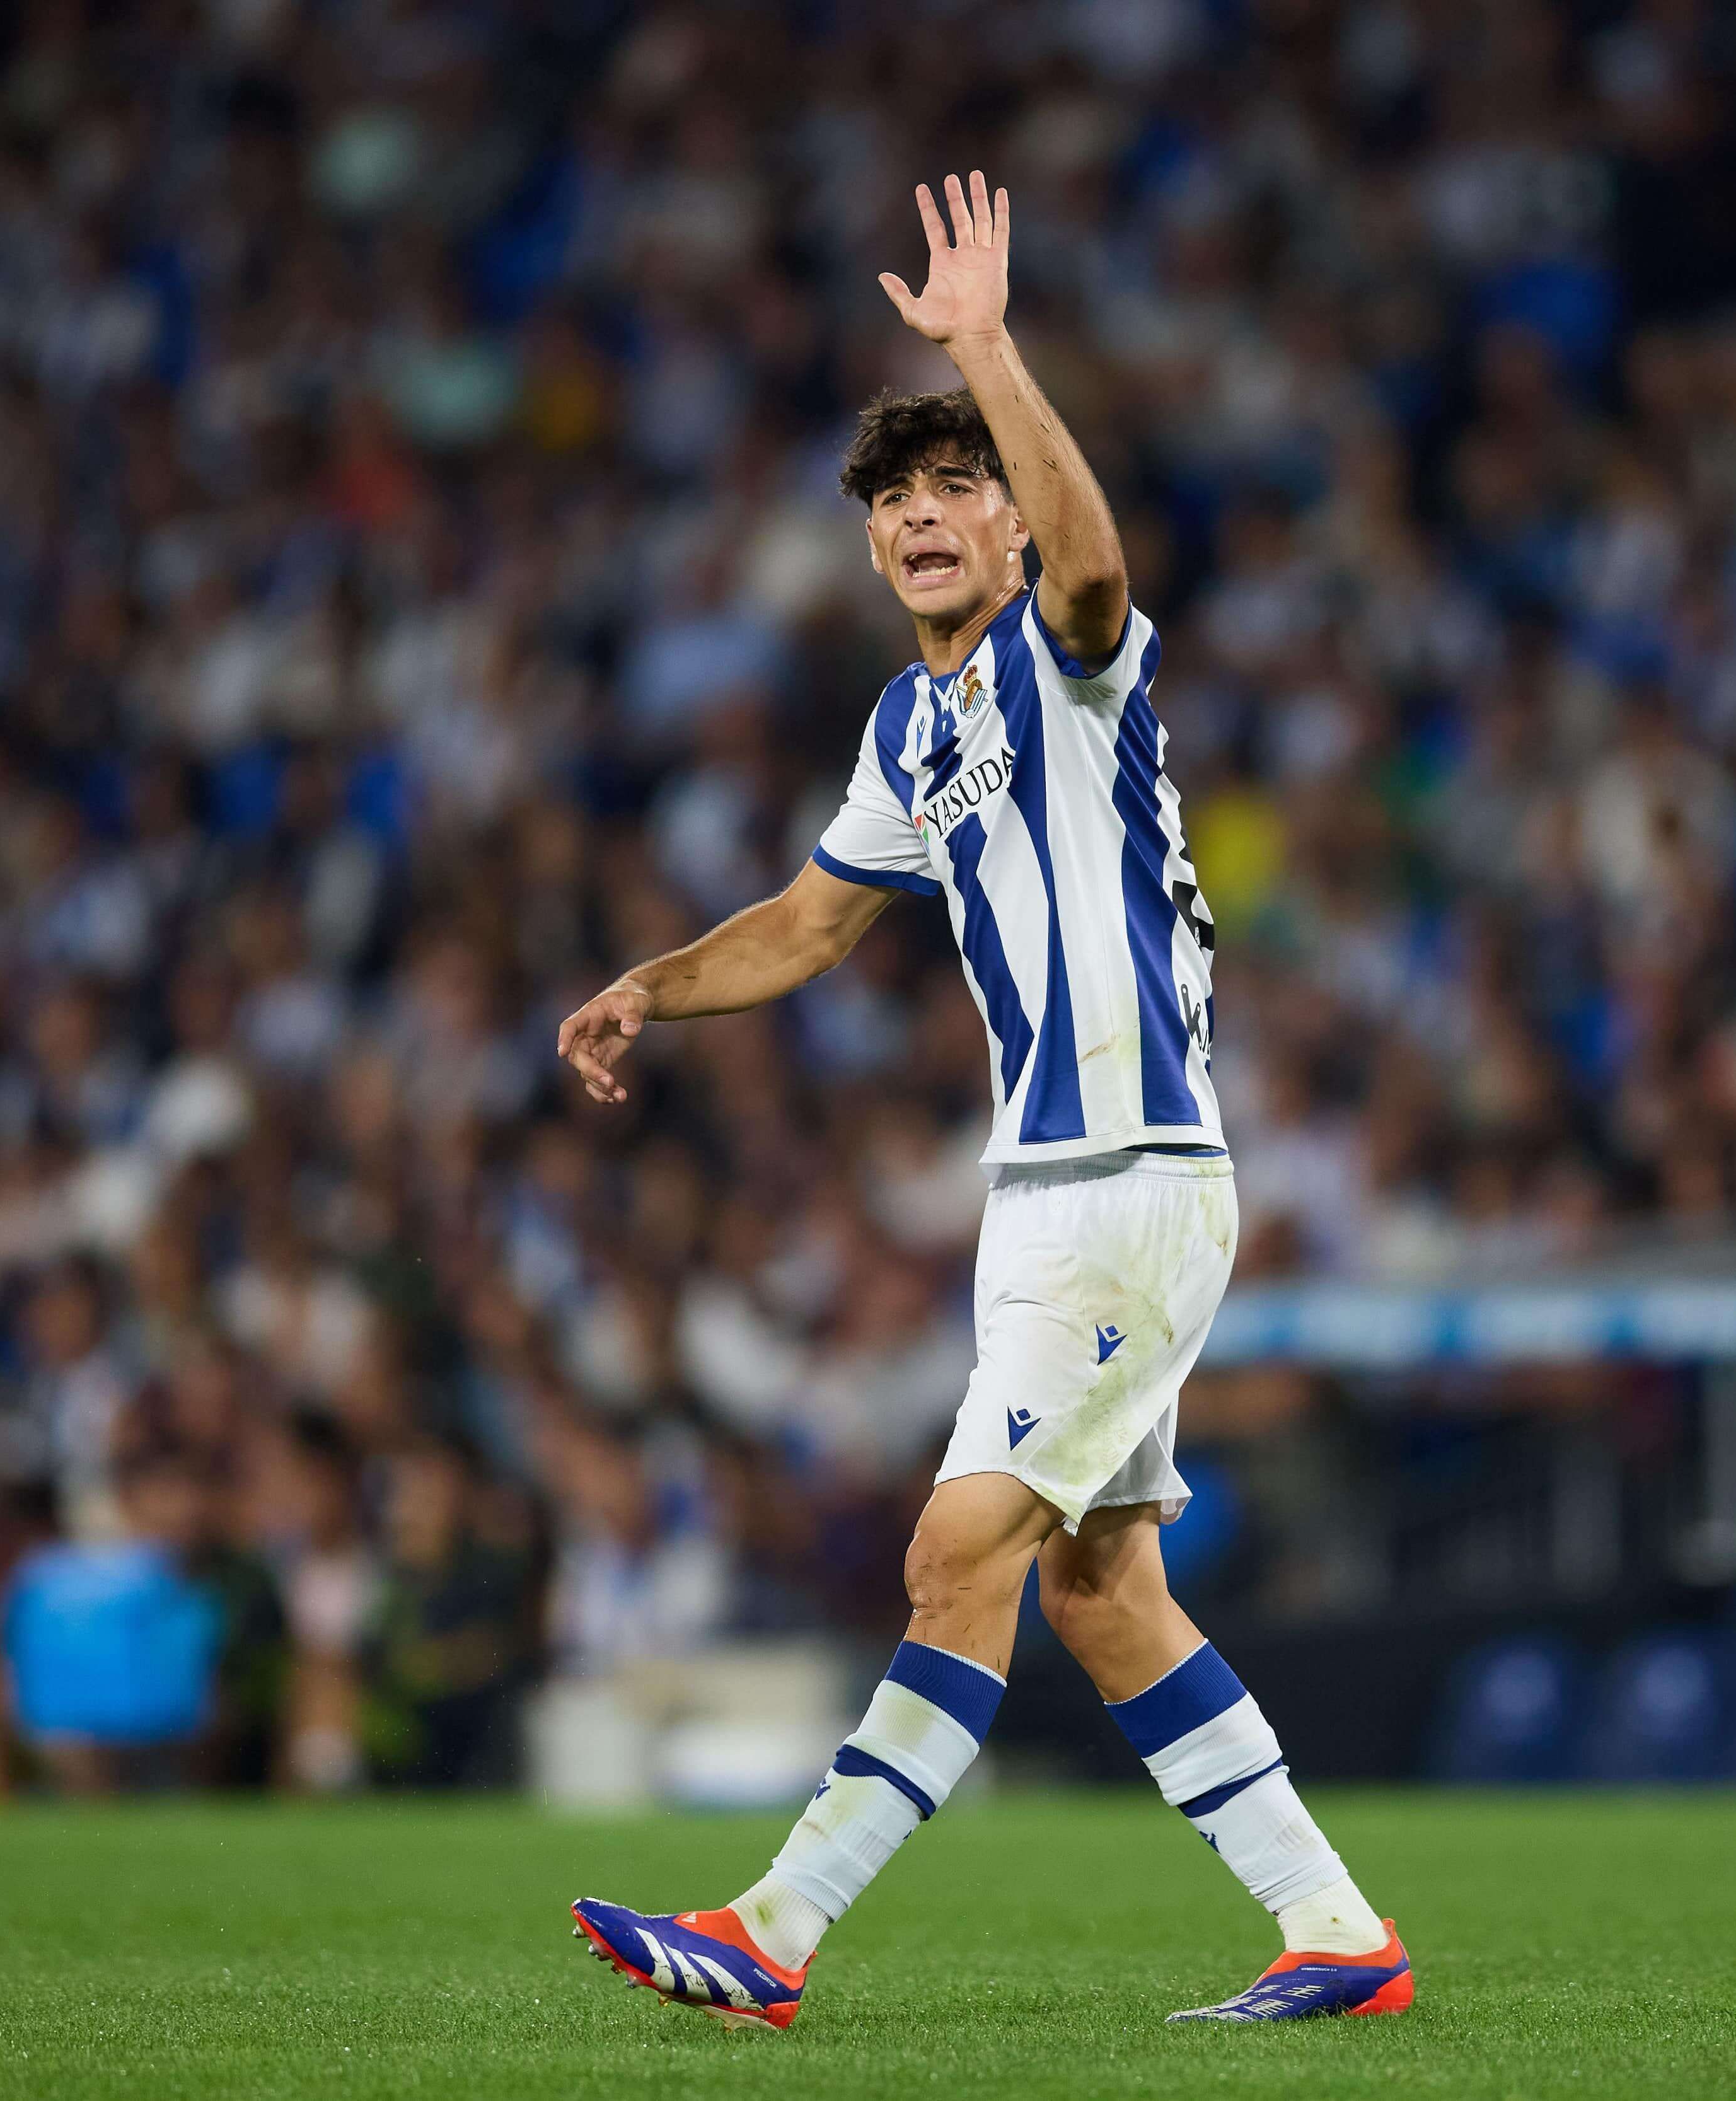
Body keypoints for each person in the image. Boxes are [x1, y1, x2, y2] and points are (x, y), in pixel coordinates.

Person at [555, 174, 1408, 2029]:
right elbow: (804, 921)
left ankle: (772, 1930)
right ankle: (1335, 1934)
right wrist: (649, 984)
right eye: (893, 498)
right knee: (1100, 1591)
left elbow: (1101, 575)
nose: (922, 517)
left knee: (958, 1553)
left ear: (1010, 522)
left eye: (955, 490)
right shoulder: (903, 725)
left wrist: (983, 349)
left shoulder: (1065, 663)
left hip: (1125, 1175)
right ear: (866, 548)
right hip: (1043, 1189)